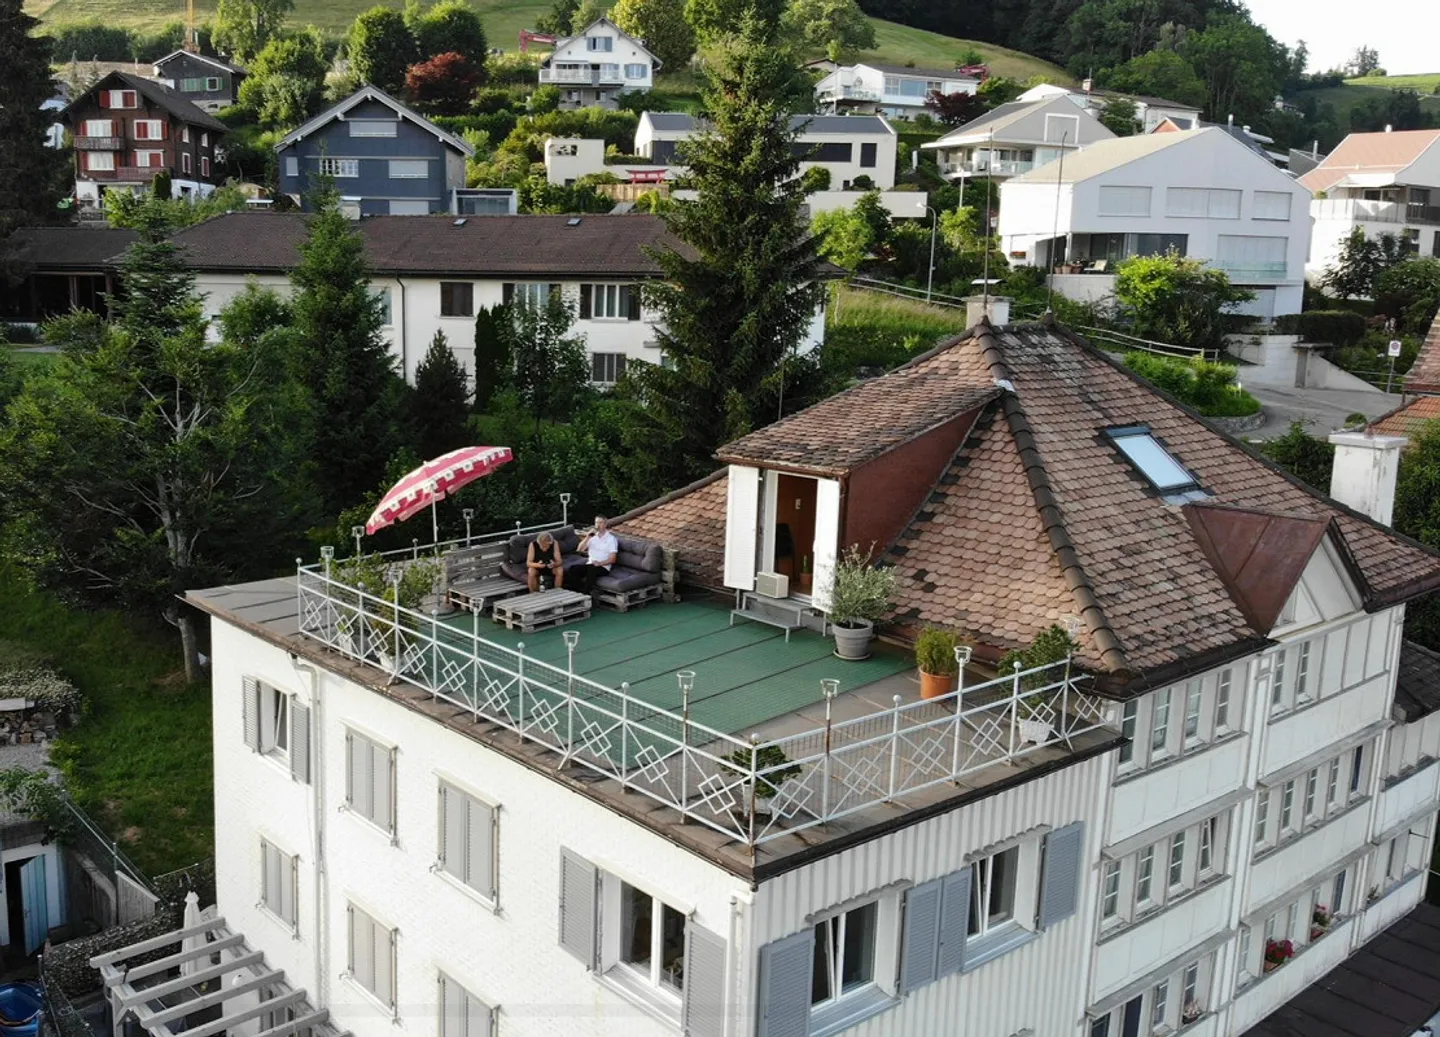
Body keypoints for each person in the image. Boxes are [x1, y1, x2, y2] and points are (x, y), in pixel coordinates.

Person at [571, 516, 618, 595]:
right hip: (590, 564)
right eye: (596, 523)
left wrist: (599, 563)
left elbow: (613, 559)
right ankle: (580, 591)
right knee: (573, 569)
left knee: (591, 570)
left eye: (600, 522)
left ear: (605, 524)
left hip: (603, 567)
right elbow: (579, 549)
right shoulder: (592, 537)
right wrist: (587, 537)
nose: (598, 525)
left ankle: (585, 594)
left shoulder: (611, 539)